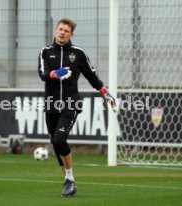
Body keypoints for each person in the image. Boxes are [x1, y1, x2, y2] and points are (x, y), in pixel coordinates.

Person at [38, 18, 116, 197]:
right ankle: (68, 181)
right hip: (51, 105)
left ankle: (70, 178)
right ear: (55, 31)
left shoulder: (78, 53)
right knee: (56, 145)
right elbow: (42, 74)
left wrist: (105, 93)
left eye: (66, 30)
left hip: (70, 104)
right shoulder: (45, 52)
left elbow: (92, 76)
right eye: (60, 29)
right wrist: (54, 73)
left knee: (59, 139)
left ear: (71, 34)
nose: (62, 32)